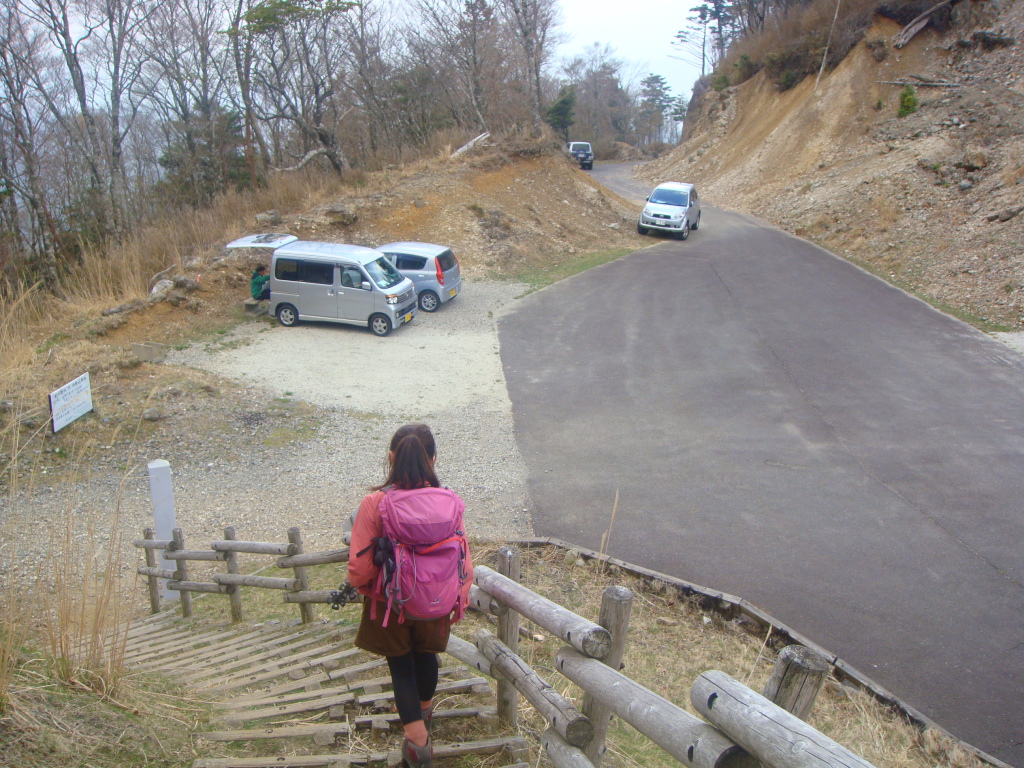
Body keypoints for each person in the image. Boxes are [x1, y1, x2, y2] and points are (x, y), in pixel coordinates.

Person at [348, 424, 473, 768]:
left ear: (391, 457)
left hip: (392, 603)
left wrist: (367, 587)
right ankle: (423, 715)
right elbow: (464, 556)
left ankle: (418, 746)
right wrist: (459, 594)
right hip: (437, 600)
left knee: (402, 668)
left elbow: (359, 569)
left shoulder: (376, 503)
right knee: (427, 656)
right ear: (433, 458)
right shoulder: (449, 501)